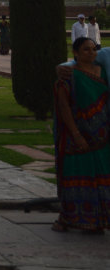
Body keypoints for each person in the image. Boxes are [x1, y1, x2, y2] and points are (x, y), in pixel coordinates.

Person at [52, 37, 110, 233]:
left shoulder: (102, 67)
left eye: (93, 49)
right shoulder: (105, 56)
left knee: (103, 179)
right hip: (81, 134)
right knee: (77, 174)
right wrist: (62, 67)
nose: (92, 53)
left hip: (102, 135)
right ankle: (72, 217)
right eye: (87, 50)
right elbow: (64, 101)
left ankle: (98, 219)